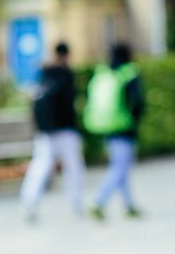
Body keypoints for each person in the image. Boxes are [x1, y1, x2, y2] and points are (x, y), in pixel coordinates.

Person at [21, 41, 85, 222]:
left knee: (40, 166)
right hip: (65, 129)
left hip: (45, 131)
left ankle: (29, 201)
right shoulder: (66, 75)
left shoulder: (44, 74)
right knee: (73, 167)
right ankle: (76, 203)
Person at [85, 43, 146, 222]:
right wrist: (133, 120)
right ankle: (99, 202)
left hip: (106, 125)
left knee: (121, 165)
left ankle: (128, 205)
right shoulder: (129, 72)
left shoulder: (103, 72)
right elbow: (138, 101)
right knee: (120, 167)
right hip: (124, 126)